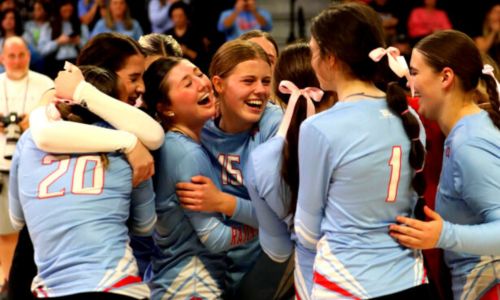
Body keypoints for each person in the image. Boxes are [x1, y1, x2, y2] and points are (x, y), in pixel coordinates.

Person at [294, 3, 430, 298]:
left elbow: (306, 231)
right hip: (412, 278)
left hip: (346, 285)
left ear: (330, 58)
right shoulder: (410, 117)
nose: (311, 59)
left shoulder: (318, 127)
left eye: (313, 50)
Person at [8, 65, 156, 299]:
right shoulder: (131, 146)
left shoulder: (30, 138)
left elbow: (17, 220)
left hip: (54, 289)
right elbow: (145, 225)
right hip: (117, 285)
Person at [388, 29, 500, 300]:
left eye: (414, 73)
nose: (410, 84)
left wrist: (442, 235)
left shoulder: (469, 143)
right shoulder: (465, 133)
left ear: (446, 77)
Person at [142, 56, 259, 299]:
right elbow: (216, 238)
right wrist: (264, 227)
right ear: (165, 108)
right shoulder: (187, 154)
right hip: (191, 284)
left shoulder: (177, 145)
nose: (202, 83)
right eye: (187, 83)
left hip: (178, 279)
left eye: (198, 73)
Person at [175, 39, 283, 297]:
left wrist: (222, 201)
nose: (260, 90)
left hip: (266, 260)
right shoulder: (196, 123)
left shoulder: (275, 123)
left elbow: (280, 216)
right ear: (218, 84)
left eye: (266, 81)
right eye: (248, 81)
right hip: (207, 259)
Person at [245, 42, 336, 300]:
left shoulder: (260, 159)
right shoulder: (351, 141)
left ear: (278, 90)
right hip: (364, 273)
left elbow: (278, 249)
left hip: (311, 282)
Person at [0, 36, 53, 297]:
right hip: (1, 165)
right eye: (11, 56)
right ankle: (8, 280)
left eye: (21, 55)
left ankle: (38, 279)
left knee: (36, 229)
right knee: (5, 229)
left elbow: (58, 123)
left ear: (29, 56)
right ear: (2, 58)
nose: (17, 60)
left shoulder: (46, 85)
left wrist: (35, 122)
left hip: (36, 165)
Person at [37, 0, 89, 78]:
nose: (68, 8)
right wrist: (57, 42)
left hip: (76, 63)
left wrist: (79, 41)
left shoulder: (81, 25)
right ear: (58, 7)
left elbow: (89, 48)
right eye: (64, 5)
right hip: (55, 65)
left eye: (70, 5)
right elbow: (41, 51)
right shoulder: (48, 26)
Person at [164, 1, 205, 68]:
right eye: (174, 16)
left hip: (193, 67)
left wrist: (186, 51)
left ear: (186, 16)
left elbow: (202, 58)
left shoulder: (195, 32)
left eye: (180, 16)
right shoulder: (167, 34)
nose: (177, 19)